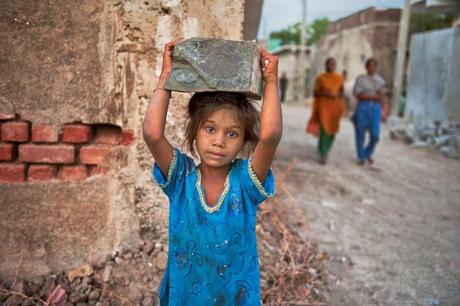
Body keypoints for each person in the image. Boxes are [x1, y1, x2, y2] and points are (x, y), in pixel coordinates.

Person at [143, 40, 282, 305]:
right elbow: (152, 133)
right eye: (210, 129)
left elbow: (271, 136)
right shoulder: (180, 180)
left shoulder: (246, 183)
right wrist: (166, 76)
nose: (219, 141)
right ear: (195, 132)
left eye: (232, 133)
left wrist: (271, 81)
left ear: (243, 141)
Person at [306, 57, 345, 164]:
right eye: (329, 64)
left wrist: (336, 94)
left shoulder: (339, 78)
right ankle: (323, 154)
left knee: (332, 131)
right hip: (323, 107)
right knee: (324, 129)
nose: (331, 66)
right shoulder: (321, 78)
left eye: (333, 64)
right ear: (326, 65)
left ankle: (324, 148)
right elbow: (315, 93)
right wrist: (324, 93)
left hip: (335, 108)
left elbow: (342, 92)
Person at [352, 57, 386, 165]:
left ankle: (367, 153)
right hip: (362, 107)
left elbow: (381, 95)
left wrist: (372, 97)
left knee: (375, 135)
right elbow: (358, 95)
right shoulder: (361, 79)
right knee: (360, 133)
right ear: (366, 67)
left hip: (375, 108)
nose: (372, 68)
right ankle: (361, 157)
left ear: (376, 67)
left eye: (374, 66)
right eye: (370, 65)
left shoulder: (380, 80)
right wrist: (374, 96)